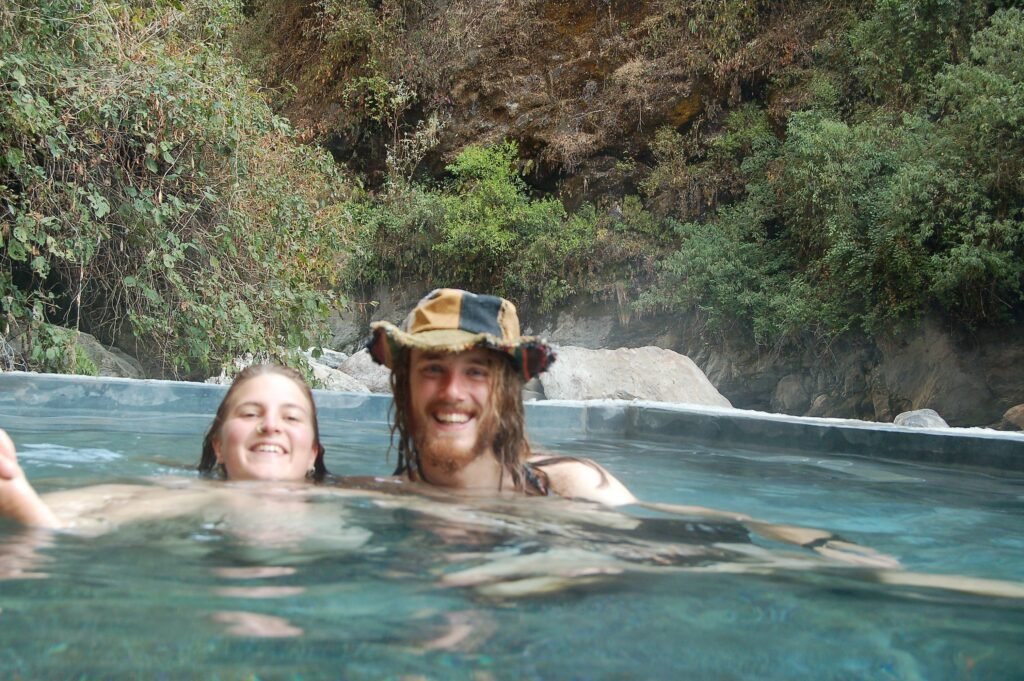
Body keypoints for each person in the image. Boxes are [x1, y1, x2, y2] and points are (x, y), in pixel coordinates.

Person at [367, 287, 636, 505]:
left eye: (476, 372)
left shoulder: (575, 488)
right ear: (404, 387)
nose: (452, 391)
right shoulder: (379, 500)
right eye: (433, 369)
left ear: (506, 392)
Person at [0, 363, 332, 531]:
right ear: (218, 446)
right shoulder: (183, 494)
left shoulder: (351, 499)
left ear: (312, 454)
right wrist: (21, 498)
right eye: (249, 413)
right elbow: (91, 504)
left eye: (291, 418)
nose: (271, 425)